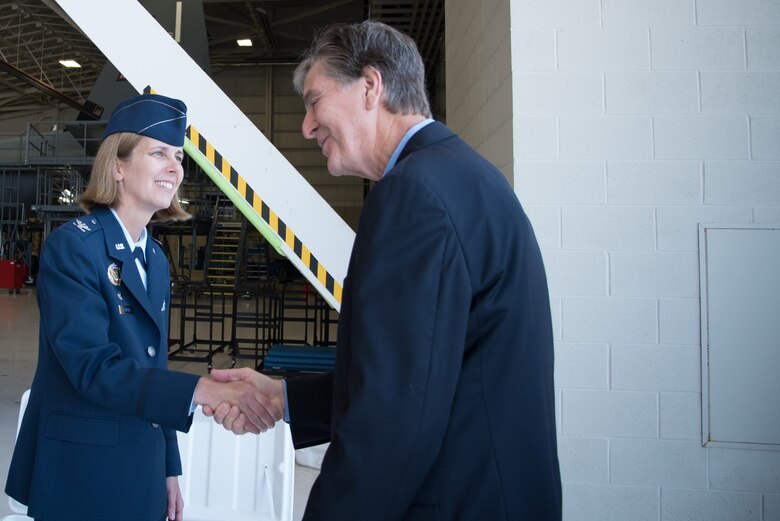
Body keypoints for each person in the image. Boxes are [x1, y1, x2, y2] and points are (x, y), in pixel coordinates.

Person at [208, 20, 561, 519]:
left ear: (370, 86)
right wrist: (282, 397)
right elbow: (423, 376)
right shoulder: (467, 177)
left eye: (314, 101)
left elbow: (394, 418)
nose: (307, 126)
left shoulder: (413, 193)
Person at [4, 93, 281, 521]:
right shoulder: (73, 247)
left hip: (141, 458)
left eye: (178, 156)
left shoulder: (152, 257)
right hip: (84, 470)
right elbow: (93, 367)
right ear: (118, 165)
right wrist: (205, 390)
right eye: (158, 153)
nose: (175, 167)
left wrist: (169, 467)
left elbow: (153, 365)